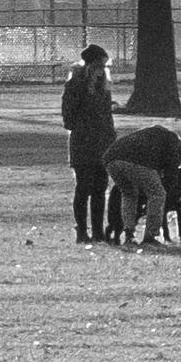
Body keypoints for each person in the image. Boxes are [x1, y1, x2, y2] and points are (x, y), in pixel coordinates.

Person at [59, 44, 116, 243]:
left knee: (100, 189)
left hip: (103, 143)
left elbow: (107, 116)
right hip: (83, 143)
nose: (103, 69)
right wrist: (84, 126)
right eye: (100, 65)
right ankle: (82, 231)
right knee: (83, 188)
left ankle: (98, 232)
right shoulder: (75, 85)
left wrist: (110, 138)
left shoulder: (102, 87)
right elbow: (68, 116)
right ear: (91, 64)